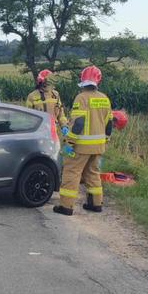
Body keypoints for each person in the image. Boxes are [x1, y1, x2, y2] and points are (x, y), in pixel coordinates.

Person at [54, 66, 113, 216]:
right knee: (93, 173)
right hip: (98, 146)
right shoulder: (104, 98)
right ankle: (95, 204)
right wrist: (105, 140)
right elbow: (109, 124)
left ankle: (66, 207)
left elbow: (78, 123)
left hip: (81, 147)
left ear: (82, 80)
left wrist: (70, 142)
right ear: (98, 80)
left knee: (71, 173)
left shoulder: (81, 98)